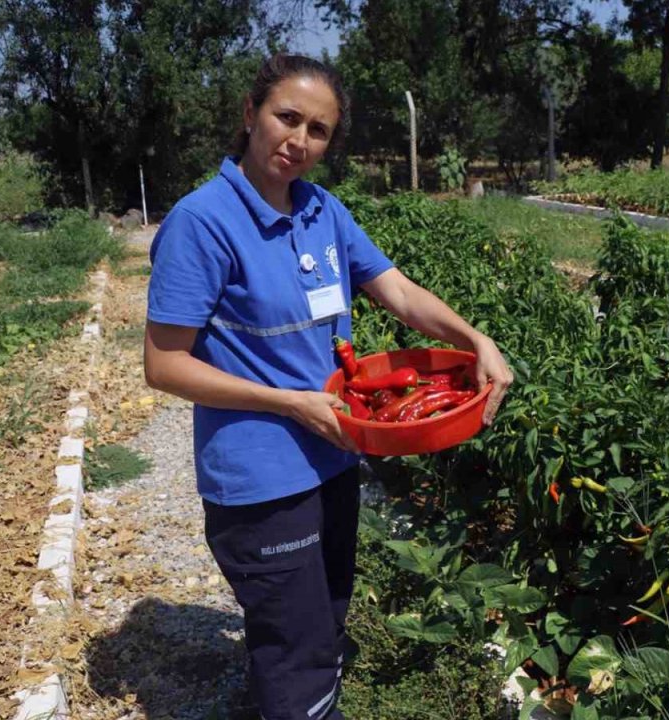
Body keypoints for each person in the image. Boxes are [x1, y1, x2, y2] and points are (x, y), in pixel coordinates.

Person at [142, 53, 513, 720]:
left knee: (323, 614)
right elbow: (164, 365)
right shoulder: (204, 221)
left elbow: (396, 290)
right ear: (250, 114)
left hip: (334, 453)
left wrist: (475, 340)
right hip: (260, 474)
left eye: (318, 130)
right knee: (297, 645)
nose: (299, 140)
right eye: (287, 117)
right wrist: (288, 402)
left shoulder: (321, 210)